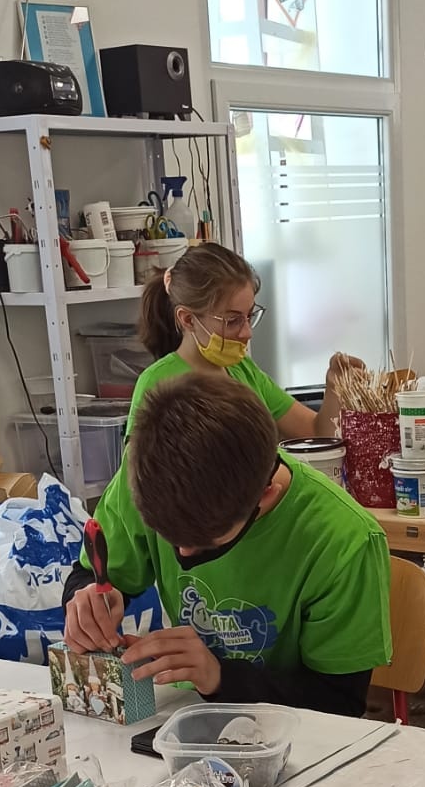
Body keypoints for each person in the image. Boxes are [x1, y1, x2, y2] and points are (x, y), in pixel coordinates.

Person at [62, 371, 391, 717]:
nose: (184, 556)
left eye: (206, 543)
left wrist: (220, 676)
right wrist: (84, 602)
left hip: (292, 731)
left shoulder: (344, 542)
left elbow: (339, 703)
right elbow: (89, 575)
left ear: (265, 497)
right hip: (186, 716)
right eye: (168, 538)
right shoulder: (148, 479)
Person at [128, 243, 354, 440]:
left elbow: (316, 433)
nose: (247, 333)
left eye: (249, 316)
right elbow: (143, 474)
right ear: (188, 319)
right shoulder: (157, 383)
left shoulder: (243, 370)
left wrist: (335, 386)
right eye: (233, 320)